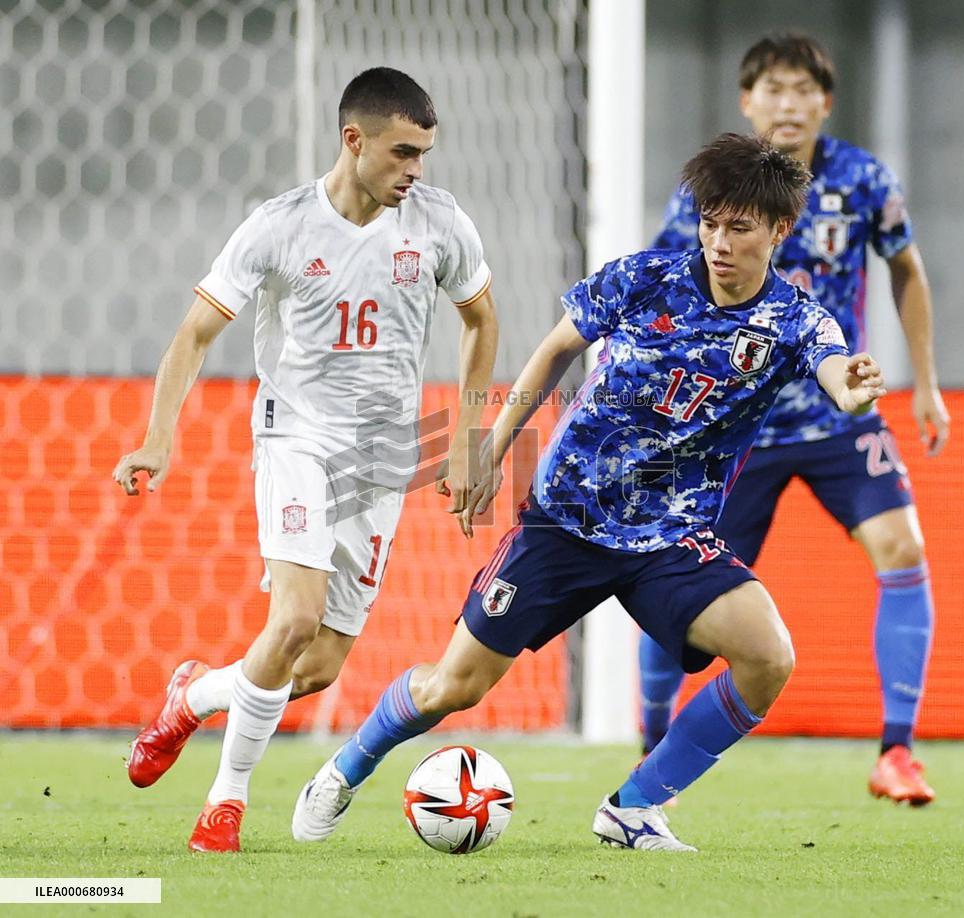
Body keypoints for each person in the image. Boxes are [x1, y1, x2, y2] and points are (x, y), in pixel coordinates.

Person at [289, 133, 887, 853]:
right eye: (709, 221)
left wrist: (850, 389)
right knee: (455, 685)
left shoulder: (795, 319)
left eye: (739, 226)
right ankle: (344, 769)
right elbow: (553, 352)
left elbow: (834, 371)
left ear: (779, 229)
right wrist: (489, 447)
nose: (718, 241)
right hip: (566, 520)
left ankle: (634, 808)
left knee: (769, 657)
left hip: (669, 538)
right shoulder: (643, 278)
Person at [112, 67, 499, 853]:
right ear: (352, 141)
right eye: (402, 152)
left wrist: (465, 436)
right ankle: (227, 804)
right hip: (296, 437)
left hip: (384, 455)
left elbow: (481, 321)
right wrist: (160, 435)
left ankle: (194, 695)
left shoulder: (439, 223)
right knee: (290, 619)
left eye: (424, 153)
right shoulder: (279, 226)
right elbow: (192, 334)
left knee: (314, 665)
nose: (416, 169)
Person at [639, 33, 947, 806]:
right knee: (682, 602)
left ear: (825, 103)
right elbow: (666, 286)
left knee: (903, 547)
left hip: (840, 412)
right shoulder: (716, 191)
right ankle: (649, 738)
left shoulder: (862, 179)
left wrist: (928, 384)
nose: (788, 104)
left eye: (803, 90)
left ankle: (898, 751)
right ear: (748, 101)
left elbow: (906, 267)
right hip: (737, 430)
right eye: (773, 89)